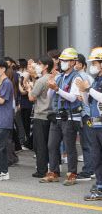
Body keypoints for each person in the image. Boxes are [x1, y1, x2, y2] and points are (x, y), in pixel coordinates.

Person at [40, 48, 82, 186]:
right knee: (52, 145)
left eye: (65, 61)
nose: (62, 63)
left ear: (72, 62)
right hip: (57, 117)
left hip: (70, 117)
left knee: (70, 147)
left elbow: (72, 98)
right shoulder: (59, 76)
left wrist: (57, 89)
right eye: (62, 60)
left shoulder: (76, 77)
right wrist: (52, 87)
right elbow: (49, 96)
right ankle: (53, 172)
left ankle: (72, 174)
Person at [76, 47, 102, 201]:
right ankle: (99, 186)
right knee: (97, 157)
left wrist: (89, 89)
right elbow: (89, 101)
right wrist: (84, 92)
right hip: (95, 124)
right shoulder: (97, 79)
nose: (93, 65)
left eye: (95, 62)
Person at [25, 56, 53, 178]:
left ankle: (41, 170)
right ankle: (53, 168)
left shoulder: (41, 80)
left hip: (40, 115)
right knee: (49, 144)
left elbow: (32, 97)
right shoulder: (52, 78)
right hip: (50, 115)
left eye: (40, 64)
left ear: (46, 66)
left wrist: (29, 90)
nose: (37, 65)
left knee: (40, 144)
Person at [74, 54, 94, 181]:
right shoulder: (85, 77)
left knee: (87, 143)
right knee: (88, 142)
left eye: (74, 62)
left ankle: (88, 171)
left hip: (86, 115)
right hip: (86, 114)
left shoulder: (82, 77)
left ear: (81, 65)